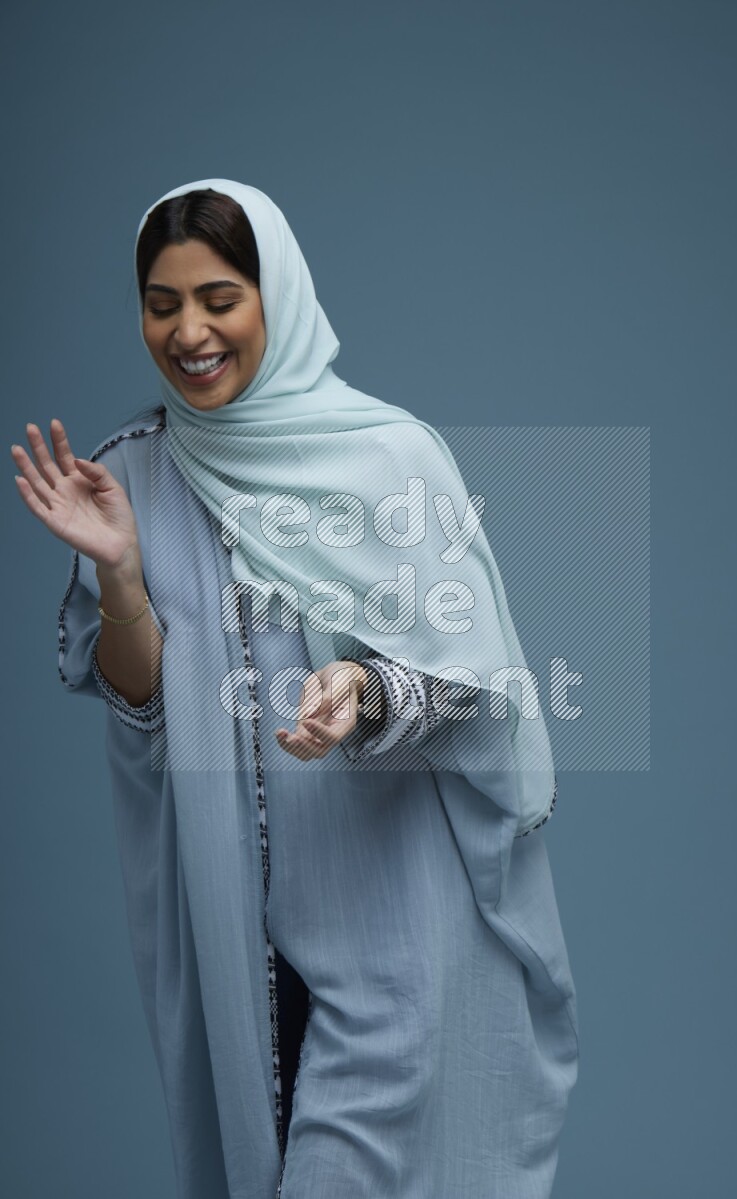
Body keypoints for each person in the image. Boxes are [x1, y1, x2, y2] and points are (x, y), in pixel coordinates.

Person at [12, 179, 578, 1199]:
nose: (188, 331)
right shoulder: (127, 475)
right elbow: (139, 704)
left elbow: (477, 683)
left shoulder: (385, 457)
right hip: (231, 934)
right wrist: (121, 577)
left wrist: (360, 687)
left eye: (219, 297)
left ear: (276, 294)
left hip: (392, 918)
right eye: (161, 302)